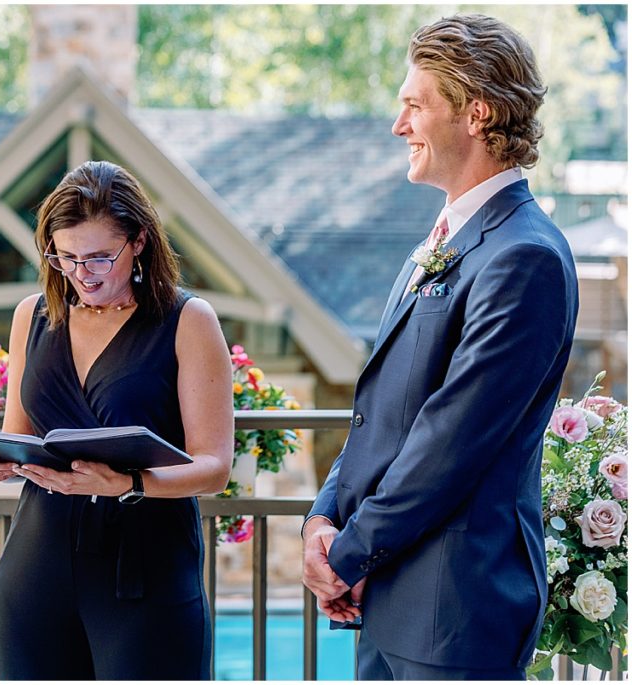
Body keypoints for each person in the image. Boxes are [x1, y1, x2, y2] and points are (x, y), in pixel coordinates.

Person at [301, 14, 579, 680]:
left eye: (414, 105)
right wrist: (323, 517)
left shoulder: (525, 257)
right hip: (392, 595)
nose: (400, 126)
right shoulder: (440, 242)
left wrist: (346, 556)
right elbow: (384, 416)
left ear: (477, 113)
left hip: (455, 609)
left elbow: (448, 442)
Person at [0, 161, 233, 679]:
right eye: (65, 258)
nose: (81, 274)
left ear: (138, 242)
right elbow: (18, 433)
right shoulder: (33, 316)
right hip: (35, 566)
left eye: (97, 258)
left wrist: (126, 483)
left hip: (144, 571)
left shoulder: (187, 320)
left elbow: (214, 467)